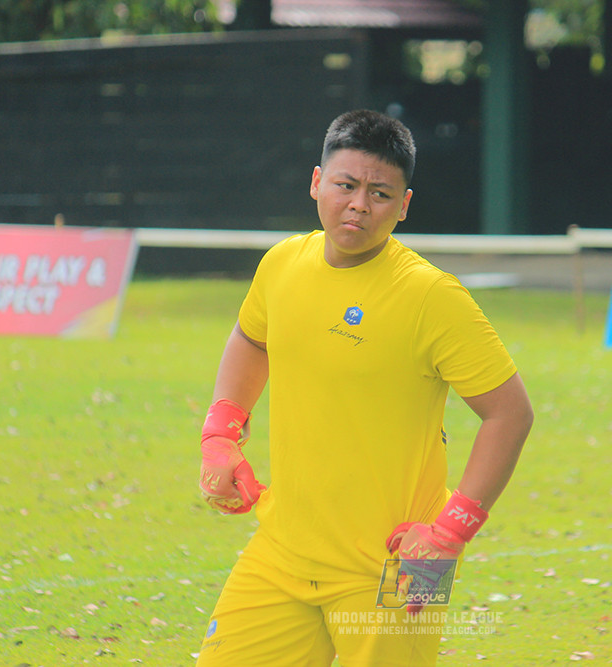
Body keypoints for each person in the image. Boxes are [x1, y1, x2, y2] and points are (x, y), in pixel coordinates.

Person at [194, 109, 534, 666]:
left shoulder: (433, 297)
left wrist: (451, 533)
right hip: (282, 550)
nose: (358, 204)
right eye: (346, 185)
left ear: (403, 206)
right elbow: (252, 339)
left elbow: (510, 414)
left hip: (400, 564)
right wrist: (221, 433)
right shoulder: (282, 264)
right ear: (316, 183)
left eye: (380, 193)